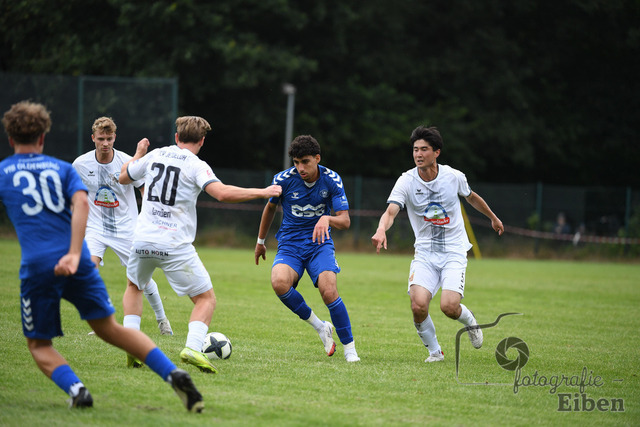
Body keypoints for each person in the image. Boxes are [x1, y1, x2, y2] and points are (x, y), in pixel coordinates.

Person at [0, 101, 203, 411]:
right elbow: (82, 203)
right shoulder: (64, 168)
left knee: (39, 343)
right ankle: (172, 373)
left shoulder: (5, 172)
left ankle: (78, 390)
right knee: (111, 329)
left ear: (10, 138)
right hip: (78, 253)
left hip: (41, 264)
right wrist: (74, 252)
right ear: (42, 137)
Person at [119, 115, 281, 374]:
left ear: (176, 137)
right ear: (202, 141)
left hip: (142, 240)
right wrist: (263, 192)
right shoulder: (196, 165)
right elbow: (222, 193)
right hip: (174, 244)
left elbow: (123, 177)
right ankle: (193, 348)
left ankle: (131, 343)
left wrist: (138, 154)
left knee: (134, 286)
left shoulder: (155, 154)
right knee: (205, 299)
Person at [371, 126, 504, 363]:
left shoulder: (453, 176)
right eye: (415, 149)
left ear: (437, 152)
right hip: (425, 253)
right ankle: (435, 352)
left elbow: (471, 197)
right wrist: (381, 229)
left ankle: (470, 321)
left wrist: (493, 217)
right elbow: (391, 211)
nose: (418, 154)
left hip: (454, 251)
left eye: (424, 149)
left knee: (449, 307)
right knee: (418, 305)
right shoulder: (406, 181)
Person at [254, 135, 360, 362]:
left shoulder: (332, 180)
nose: (300, 168)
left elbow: (345, 221)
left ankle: (350, 349)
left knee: (329, 291)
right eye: (296, 162)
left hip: (319, 244)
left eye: (305, 162)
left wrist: (327, 219)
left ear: (317, 158)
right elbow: (270, 209)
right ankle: (320, 327)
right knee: (279, 282)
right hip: (290, 244)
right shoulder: (283, 180)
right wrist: (261, 242)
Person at [72, 117, 173, 350]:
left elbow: (145, 190)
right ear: (93, 138)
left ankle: (162, 319)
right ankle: (102, 322)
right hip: (96, 228)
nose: (105, 143)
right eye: (101, 139)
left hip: (127, 228)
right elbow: (75, 195)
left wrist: (152, 217)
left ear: (114, 138)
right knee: (88, 270)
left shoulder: (127, 162)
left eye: (109, 138)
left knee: (141, 279)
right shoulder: (80, 164)